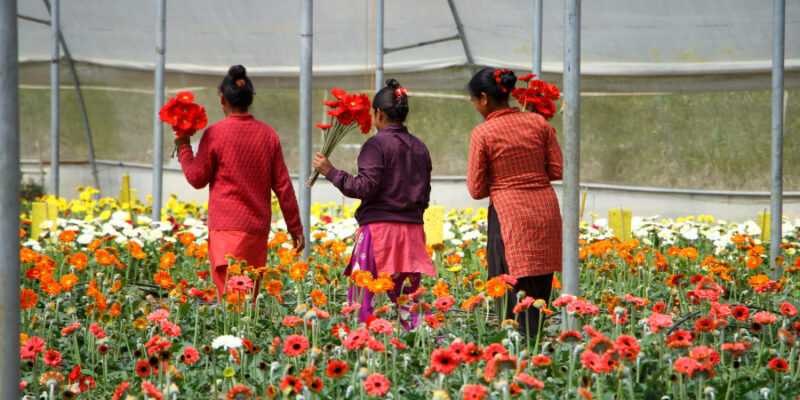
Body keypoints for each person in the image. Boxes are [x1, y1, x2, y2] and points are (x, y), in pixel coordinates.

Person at [312, 79, 435, 330]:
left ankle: (365, 349)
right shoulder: (420, 148)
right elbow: (424, 193)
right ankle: (415, 350)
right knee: (409, 304)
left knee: (365, 303)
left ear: (378, 113)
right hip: (412, 234)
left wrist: (330, 171)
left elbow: (364, 187)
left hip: (380, 232)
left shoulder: (376, 144)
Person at [176, 65, 304, 301]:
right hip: (256, 232)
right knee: (247, 303)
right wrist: (295, 228)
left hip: (225, 230)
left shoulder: (215, 133)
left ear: (222, 99)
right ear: (250, 99)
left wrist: (184, 147)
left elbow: (196, 179)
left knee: (230, 304)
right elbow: (283, 186)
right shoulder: (268, 135)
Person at [466, 67, 563, 337]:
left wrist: (505, 181)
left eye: (474, 101)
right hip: (545, 213)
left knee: (511, 295)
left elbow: (475, 189)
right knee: (539, 292)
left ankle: (517, 356)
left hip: (510, 215)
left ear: (484, 98)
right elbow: (557, 170)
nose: (475, 107)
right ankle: (537, 350)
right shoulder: (538, 123)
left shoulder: (483, 133)